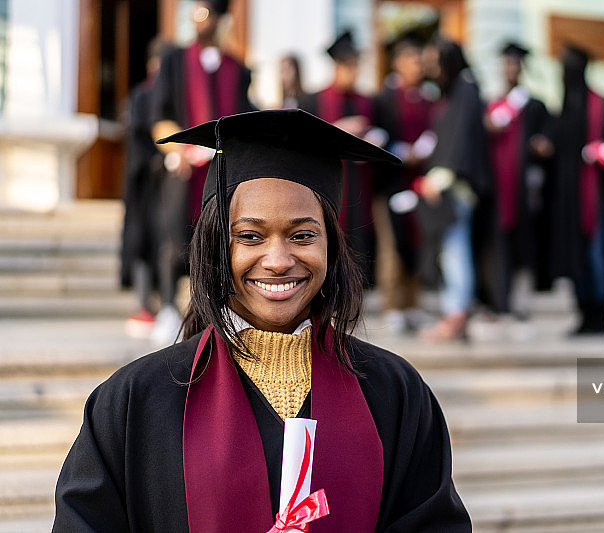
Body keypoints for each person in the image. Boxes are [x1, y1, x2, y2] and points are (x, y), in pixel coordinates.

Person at [53, 109, 471, 532]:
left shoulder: (395, 394)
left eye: (303, 235)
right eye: (250, 236)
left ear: (332, 244)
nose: (278, 261)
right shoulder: (135, 403)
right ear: (217, 244)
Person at [149, 0, 256, 343]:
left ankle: (214, 309)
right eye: (194, 13)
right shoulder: (175, 61)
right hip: (183, 166)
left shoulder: (238, 69)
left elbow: (243, 116)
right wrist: (176, 148)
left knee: (220, 237)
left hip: (221, 169)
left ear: (221, 19)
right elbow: (160, 113)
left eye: (205, 13)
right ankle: (167, 307)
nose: (199, 20)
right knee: (173, 237)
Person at [547, 45, 604, 335]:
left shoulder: (601, 105)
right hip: (570, 201)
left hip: (597, 200)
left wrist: (600, 152)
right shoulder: (565, 107)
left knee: (596, 256)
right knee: (576, 258)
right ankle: (583, 313)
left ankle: (599, 315)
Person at [417, 38, 493, 341]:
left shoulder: (466, 88)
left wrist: (442, 175)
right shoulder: (457, 90)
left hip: (455, 183)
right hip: (451, 181)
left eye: (437, 62)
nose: (433, 69)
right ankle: (457, 310)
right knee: (451, 248)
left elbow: (461, 140)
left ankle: (456, 313)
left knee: (454, 248)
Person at [298, 31, 378, 283]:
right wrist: (339, 130)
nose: (355, 74)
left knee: (359, 238)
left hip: (359, 182)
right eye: (351, 67)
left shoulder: (367, 102)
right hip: (327, 183)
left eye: (357, 67)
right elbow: (303, 143)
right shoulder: (313, 100)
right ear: (338, 66)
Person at [371, 33, 435, 333]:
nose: (418, 66)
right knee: (391, 245)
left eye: (420, 61)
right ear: (398, 63)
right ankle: (393, 305)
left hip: (418, 182)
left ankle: (413, 303)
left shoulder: (428, 100)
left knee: (416, 243)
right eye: (413, 60)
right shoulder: (383, 99)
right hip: (390, 181)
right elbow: (376, 135)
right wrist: (399, 150)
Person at [484, 41, 553, 317]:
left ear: (522, 68)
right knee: (498, 244)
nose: (511, 68)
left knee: (524, 243)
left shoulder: (534, 105)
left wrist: (541, 145)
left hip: (525, 189)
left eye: (515, 63)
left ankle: (522, 301)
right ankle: (499, 300)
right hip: (497, 188)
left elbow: (548, 144)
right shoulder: (493, 105)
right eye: (507, 63)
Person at [120, 37, 170, 338]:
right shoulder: (143, 94)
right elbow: (139, 138)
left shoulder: (166, 95)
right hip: (143, 185)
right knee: (142, 244)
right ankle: (144, 304)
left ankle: (163, 304)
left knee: (162, 244)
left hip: (163, 186)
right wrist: (155, 160)